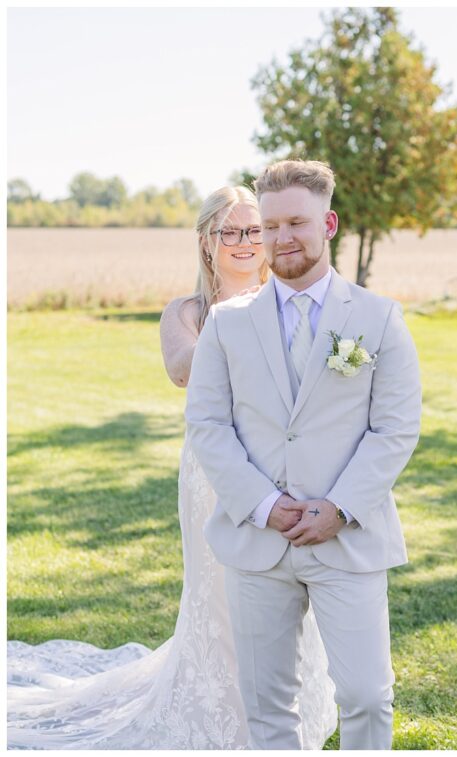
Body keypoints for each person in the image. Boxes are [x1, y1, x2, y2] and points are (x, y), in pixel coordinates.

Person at [6, 186, 337, 749]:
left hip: (286, 470)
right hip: (214, 473)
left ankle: (288, 710)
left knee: (287, 588)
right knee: (221, 592)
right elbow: (182, 370)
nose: (243, 242)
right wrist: (238, 322)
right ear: (207, 243)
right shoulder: (185, 314)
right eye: (228, 232)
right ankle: (223, 716)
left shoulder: (291, 300)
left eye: (253, 231)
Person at [185, 160, 421, 750]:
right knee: (267, 707)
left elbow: (395, 429)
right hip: (257, 540)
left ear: (329, 223)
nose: (281, 237)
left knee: (367, 695)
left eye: (297, 222)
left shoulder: (378, 318)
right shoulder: (225, 323)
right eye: (269, 226)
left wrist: (338, 508)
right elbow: (208, 424)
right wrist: (265, 506)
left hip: (347, 539)